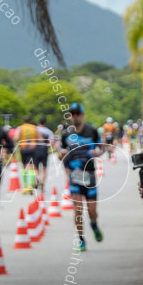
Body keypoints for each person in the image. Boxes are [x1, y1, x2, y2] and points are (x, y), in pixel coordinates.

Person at [59, 102, 103, 250]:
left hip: (90, 175)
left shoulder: (92, 130)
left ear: (82, 115)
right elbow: (60, 153)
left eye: (78, 113)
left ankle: (94, 225)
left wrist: (98, 153)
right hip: (75, 177)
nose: (75, 116)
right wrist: (61, 154)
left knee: (92, 211)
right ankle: (81, 240)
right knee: (77, 210)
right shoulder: (66, 134)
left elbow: (101, 147)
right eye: (72, 114)